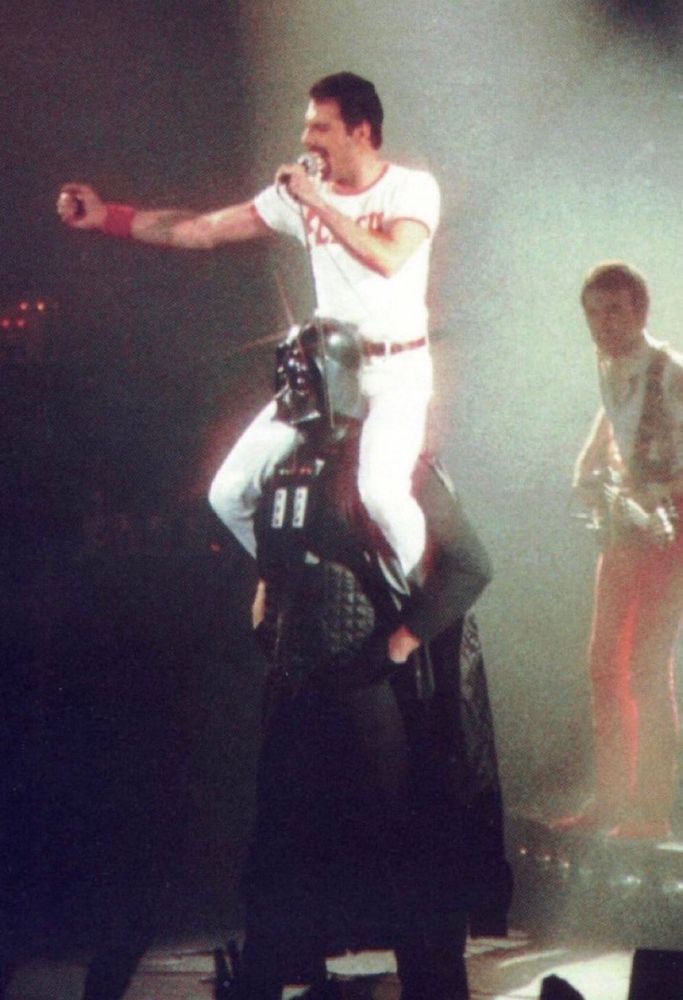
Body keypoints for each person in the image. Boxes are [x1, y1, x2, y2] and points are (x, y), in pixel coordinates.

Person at [56, 71, 440, 581]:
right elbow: (202, 229)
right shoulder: (302, 196)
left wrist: (318, 204)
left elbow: (388, 257)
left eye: (321, 128)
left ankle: (418, 608)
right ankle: (300, 587)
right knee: (229, 494)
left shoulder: (409, 189)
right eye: (307, 126)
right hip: (327, 375)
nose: (306, 139)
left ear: (361, 131)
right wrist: (109, 216)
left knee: (382, 495)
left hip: (396, 373)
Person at [227, 321, 511, 1000]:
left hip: (370, 689)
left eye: (305, 371)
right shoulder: (286, 465)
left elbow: (470, 565)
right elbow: (274, 558)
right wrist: (269, 608)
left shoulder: (391, 466)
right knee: (277, 850)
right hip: (298, 686)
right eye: (286, 371)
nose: (293, 385)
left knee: (405, 850)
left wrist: (400, 642)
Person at [557, 261, 683, 840]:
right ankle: (612, 798)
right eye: (592, 312)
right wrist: (589, 461)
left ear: (640, 311)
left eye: (613, 310)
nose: (601, 323)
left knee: (648, 667)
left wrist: (659, 495)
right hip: (624, 529)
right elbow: (615, 415)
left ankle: (654, 810)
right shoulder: (608, 362)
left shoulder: (671, 373)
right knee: (604, 662)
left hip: (669, 530)